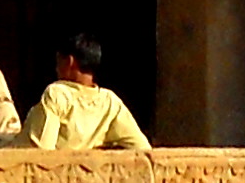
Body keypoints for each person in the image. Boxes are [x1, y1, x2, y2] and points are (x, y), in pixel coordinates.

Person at [21, 34, 149, 151]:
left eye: (58, 62)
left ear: (69, 61)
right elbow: (142, 148)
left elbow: (41, 150)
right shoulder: (110, 102)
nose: (56, 68)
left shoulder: (58, 94)